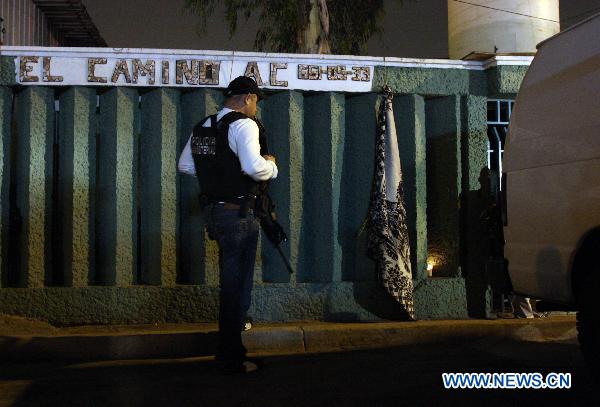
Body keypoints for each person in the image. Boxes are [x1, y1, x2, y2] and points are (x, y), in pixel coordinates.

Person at [178, 76, 278, 373]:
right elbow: (252, 167)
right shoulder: (243, 125)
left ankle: (231, 348)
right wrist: (271, 165)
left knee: (231, 281)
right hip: (239, 213)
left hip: (215, 212)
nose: (256, 108)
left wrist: (217, 180)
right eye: (256, 102)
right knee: (237, 284)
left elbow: (185, 165)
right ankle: (231, 356)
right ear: (247, 98)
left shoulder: (203, 126)